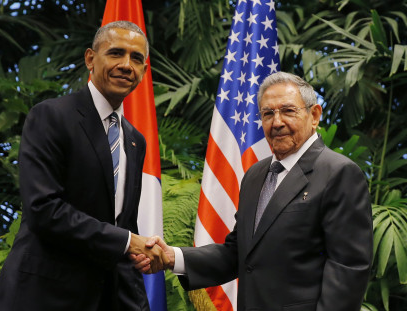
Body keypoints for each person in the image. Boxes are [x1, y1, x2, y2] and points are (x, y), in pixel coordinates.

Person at [133, 71, 373, 311]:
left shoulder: (339, 173)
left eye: (288, 111)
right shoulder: (255, 175)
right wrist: (173, 257)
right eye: (268, 114)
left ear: (314, 115)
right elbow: (238, 253)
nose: (277, 122)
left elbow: (348, 271)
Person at [0, 21, 168, 311]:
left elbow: (122, 225)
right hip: (42, 296)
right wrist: (126, 241)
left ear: (144, 71)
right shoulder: (51, 116)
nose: (126, 65)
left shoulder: (135, 141)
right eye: (116, 53)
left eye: (137, 58)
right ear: (90, 59)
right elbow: (44, 210)